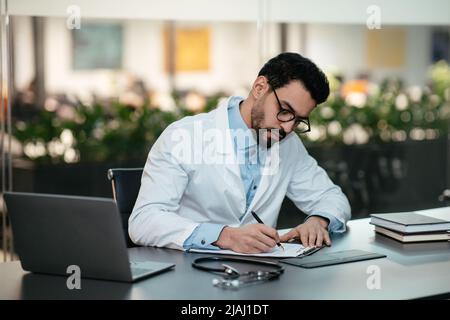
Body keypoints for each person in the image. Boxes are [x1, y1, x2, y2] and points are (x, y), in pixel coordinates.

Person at [129, 52, 351, 254]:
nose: (287, 128)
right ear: (260, 88)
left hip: (260, 278)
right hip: (188, 274)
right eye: (284, 111)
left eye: (298, 120)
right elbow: (144, 221)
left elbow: (332, 198)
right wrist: (224, 236)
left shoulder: (288, 145)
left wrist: (318, 220)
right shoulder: (184, 136)